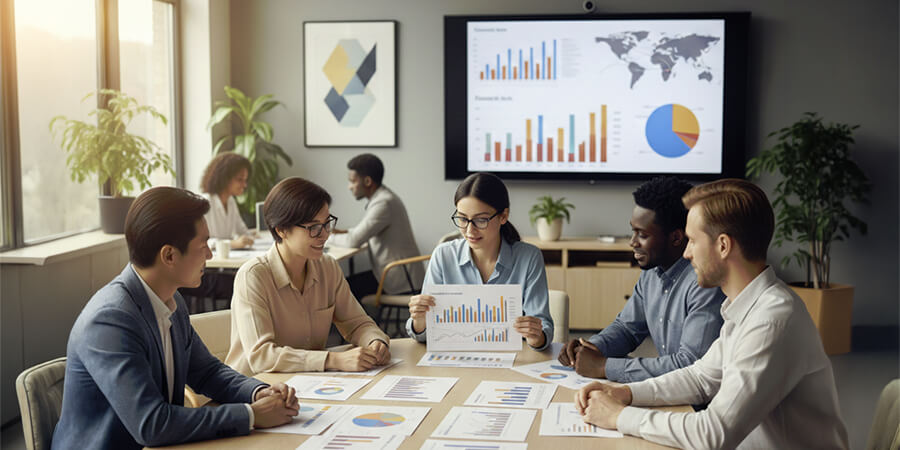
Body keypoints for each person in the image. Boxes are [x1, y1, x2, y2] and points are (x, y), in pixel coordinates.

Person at [576, 179, 848, 449]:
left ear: (723, 245)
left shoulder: (772, 320)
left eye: (693, 240)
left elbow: (713, 435)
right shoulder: (747, 305)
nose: (686, 253)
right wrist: (624, 392)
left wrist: (619, 416)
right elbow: (701, 377)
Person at [52, 187, 299, 450]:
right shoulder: (110, 320)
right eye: (203, 244)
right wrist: (251, 415)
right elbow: (152, 424)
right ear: (169, 255)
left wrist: (258, 393)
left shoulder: (170, 299)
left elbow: (207, 371)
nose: (210, 255)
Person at [558, 177, 725, 383]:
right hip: (666, 390)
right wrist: (592, 348)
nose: (632, 242)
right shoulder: (651, 272)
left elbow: (689, 364)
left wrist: (604, 366)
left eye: (642, 235)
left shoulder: (704, 282)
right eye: (632, 231)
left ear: (676, 238)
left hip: (695, 403)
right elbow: (628, 328)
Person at [225, 177, 391, 376]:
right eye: (313, 227)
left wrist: (375, 341)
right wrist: (332, 359)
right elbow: (262, 356)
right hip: (255, 389)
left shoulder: (327, 267)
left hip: (309, 384)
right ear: (281, 230)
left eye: (326, 223)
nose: (324, 235)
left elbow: (356, 322)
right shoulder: (253, 276)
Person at [406, 172, 554, 350]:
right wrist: (419, 321)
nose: (469, 230)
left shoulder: (529, 258)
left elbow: (543, 327)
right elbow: (424, 334)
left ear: (503, 216)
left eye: (480, 220)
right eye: (462, 219)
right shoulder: (443, 256)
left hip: (513, 363)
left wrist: (536, 336)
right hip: (455, 361)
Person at [328, 153, 425, 299]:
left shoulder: (383, 203)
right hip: (399, 273)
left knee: (340, 289)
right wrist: (343, 232)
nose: (349, 187)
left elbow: (353, 241)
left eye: (353, 181)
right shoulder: (384, 197)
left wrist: (325, 237)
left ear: (367, 181)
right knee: (344, 285)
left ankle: (359, 323)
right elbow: (364, 230)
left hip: (400, 280)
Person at [200, 152, 255, 249]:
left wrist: (248, 237)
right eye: (240, 180)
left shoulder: (230, 201)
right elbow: (201, 242)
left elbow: (242, 231)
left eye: (245, 180)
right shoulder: (205, 202)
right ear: (224, 178)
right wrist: (233, 244)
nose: (244, 185)